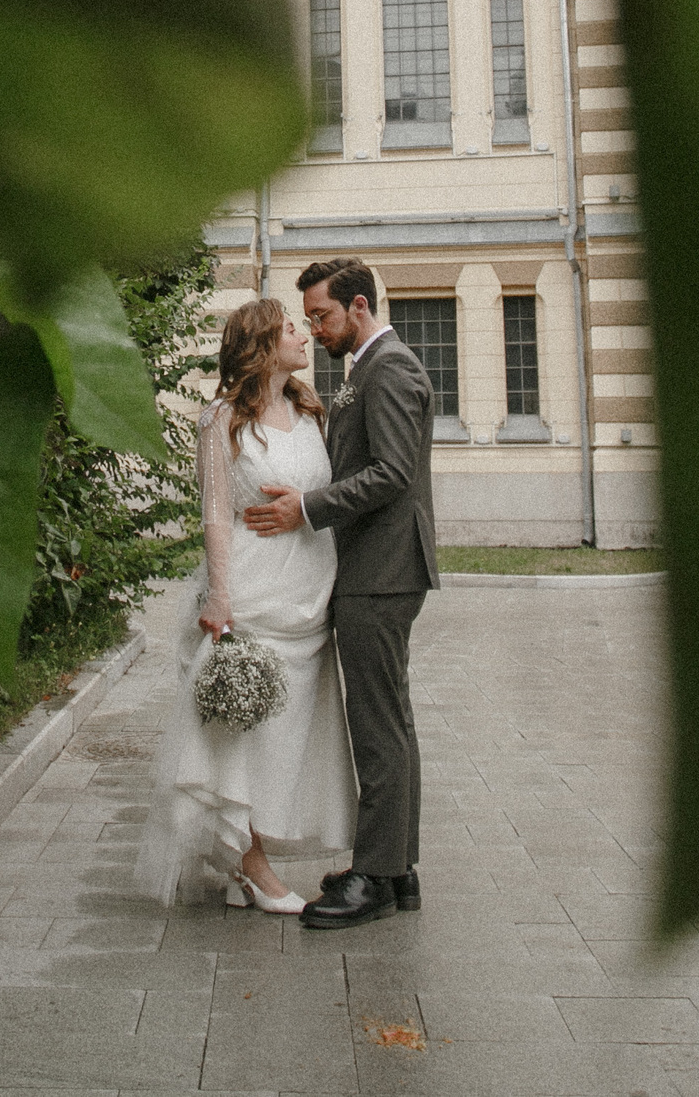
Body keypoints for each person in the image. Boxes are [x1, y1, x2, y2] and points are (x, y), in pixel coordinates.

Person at [134, 298, 355, 913]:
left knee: (287, 737)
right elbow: (215, 515)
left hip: (310, 595)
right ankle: (253, 868)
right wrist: (220, 595)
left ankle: (241, 862)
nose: (304, 335)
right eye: (290, 328)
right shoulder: (221, 420)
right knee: (244, 732)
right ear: (261, 346)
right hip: (254, 595)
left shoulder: (311, 411)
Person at [243, 256, 438, 929]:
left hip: (381, 572)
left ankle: (376, 878)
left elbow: (389, 473)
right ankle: (397, 867)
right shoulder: (367, 369)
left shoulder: (392, 368)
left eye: (322, 316)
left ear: (358, 307)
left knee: (377, 726)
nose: (316, 330)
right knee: (390, 721)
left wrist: (308, 506)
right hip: (376, 570)